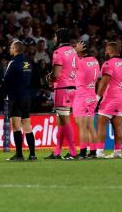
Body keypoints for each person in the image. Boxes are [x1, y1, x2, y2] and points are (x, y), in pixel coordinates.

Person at [47, 29, 78, 160]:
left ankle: (73, 152)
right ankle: (57, 152)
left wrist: (50, 78)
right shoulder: (73, 51)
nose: (54, 38)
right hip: (72, 86)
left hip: (62, 88)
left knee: (65, 120)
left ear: (59, 38)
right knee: (60, 120)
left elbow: (56, 73)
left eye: (55, 36)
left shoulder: (58, 52)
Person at [3, 40, 35, 161]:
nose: (10, 49)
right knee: (27, 125)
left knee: (16, 126)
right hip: (26, 97)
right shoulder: (28, 62)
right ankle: (32, 154)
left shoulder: (13, 62)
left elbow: (6, 80)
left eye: (11, 47)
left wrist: (4, 94)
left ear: (15, 49)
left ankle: (19, 154)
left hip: (15, 97)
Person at [95, 41, 122, 159]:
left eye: (106, 50)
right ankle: (117, 152)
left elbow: (104, 82)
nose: (105, 52)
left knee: (101, 124)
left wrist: (97, 98)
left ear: (110, 51)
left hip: (111, 97)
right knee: (118, 125)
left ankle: (99, 152)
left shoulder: (108, 64)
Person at [72, 42, 100, 159]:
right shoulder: (94, 60)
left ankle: (82, 152)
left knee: (82, 127)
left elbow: (68, 61)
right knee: (90, 126)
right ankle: (93, 152)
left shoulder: (79, 61)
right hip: (92, 95)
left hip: (81, 96)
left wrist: (74, 51)